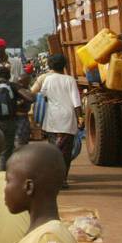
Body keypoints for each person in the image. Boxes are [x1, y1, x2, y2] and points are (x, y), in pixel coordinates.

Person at [34, 53, 81, 182]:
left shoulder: (48, 79)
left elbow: (42, 95)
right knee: (66, 152)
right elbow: (76, 102)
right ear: (64, 65)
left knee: (53, 150)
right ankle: (63, 179)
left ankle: (54, 178)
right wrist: (80, 118)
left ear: (49, 65)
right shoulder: (70, 80)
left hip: (52, 118)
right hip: (67, 119)